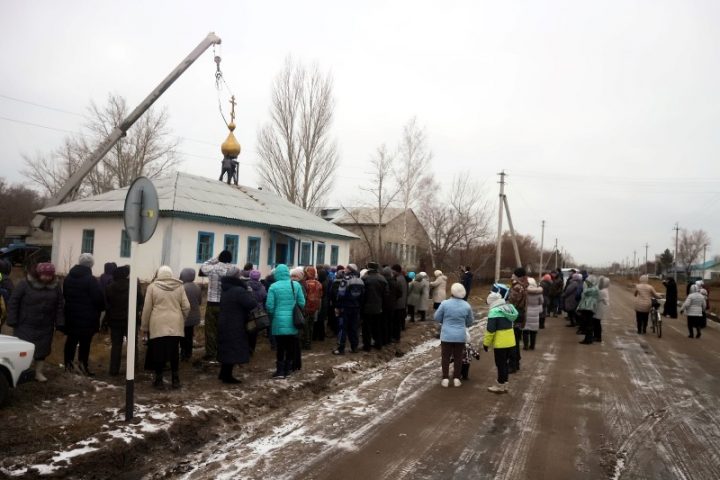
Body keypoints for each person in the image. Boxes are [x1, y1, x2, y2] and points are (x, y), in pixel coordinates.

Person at [7, 263, 63, 382]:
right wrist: (12, 319)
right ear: (38, 274)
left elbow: (59, 305)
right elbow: (14, 301)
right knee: (22, 350)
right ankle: (20, 373)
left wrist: (59, 322)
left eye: (49, 275)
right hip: (25, 323)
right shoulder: (25, 284)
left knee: (42, 350)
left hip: (46, 324)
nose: (47, 278)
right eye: (44, 275)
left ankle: (38, 373)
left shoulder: (56, 286)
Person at [141, 266, 190, 389]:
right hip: (175, 323)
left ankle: (159, 381)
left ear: (159, 274)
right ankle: (175, 379)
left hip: (157, 324)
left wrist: (145, 326)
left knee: (158, 353)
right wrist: (181, 319)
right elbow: (187, 307)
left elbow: (147, 309)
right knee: (174, 352)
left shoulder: (152, 287)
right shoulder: (180, 287)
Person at [63, 253, 105, 376]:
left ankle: (68, 367)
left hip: (71, 315)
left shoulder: (68, 278)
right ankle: (83, 367)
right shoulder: (91, 280)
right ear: (91, 265)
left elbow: (65, 295)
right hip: (87, 318)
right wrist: (101, 308)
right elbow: (98, 299)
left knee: (71, 342)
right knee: (85, 344)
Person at [217, 267, 258, 383]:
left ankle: (224, 373)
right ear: (236, 277)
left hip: (225, 321)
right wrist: (249, 293)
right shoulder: (239, 291)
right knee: (233, 348)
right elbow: (251, 304)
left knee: (227, 347)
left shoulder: (225, 289)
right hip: (235, 322)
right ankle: (227, 376)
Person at [267, 264, 306, 378]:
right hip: (292, 321)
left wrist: (274, 314)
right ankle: (288, 369)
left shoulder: (273, 287)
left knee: (280, 346)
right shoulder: (295, 285)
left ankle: (279, 371)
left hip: (278, 320)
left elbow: (269, 306)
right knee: (290, 346)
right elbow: (302, 303)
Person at [104, 265, 143, 376]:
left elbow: (107, 304)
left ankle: (113, 370)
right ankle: (133, 368)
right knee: (132, 344)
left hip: (115, 320)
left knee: (116, 345)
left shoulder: (109, 287)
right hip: (130, 320)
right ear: (126, 274)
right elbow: (140, 301)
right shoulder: (133, 286)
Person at [435, 283, 475, 387]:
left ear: (452, 292)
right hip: (460, 336)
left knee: (445, 357)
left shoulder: (445, 304)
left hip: (446, 335)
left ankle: (445, 379)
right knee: (458, 357)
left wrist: (444, 321)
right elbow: (470, 321)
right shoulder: (466, 305)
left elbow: (437, 317)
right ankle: (457, 378)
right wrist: (463, 324)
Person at [200, 250, 234, 361]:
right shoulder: (231, 270)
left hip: (212, 303)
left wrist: (214, 259)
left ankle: (211, 353)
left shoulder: (212, 269)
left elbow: (203, 266)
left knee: (210, 329)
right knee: (224, 328)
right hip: (225, 303)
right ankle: (222, 351)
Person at [483, 292, 518, 394]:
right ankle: (505, 385)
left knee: (500, 365)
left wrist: (486, 343)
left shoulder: (494, 312)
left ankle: (500, 385)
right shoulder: (509, 308)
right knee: (505, 364)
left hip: (500, 343)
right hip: (511, 341)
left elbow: (490, 331)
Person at [332, 264, 364, 355]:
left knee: (343, 328)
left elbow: (341, 294)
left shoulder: (345, 279)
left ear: (350, 270)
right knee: (354, 328)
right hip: (356, 307)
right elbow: (363, 296)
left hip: (345, 307)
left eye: (346, 268)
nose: (345, 269)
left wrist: (338, 306)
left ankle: (341, 348)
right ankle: (354, 347)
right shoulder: (360, 280)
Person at [361, 262, 388, 351]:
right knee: (377, 326)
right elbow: (386, 294)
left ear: (369, 268)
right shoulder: (382, 279)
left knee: (366, 327)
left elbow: (361, 293)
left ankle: (367, 346)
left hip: (366, 307)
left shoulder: (364, 278)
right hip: (378, 307)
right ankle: (378, 344)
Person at [507, 268, 528, 374]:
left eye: (513, 274)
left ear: (517, 276)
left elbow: (512, 302)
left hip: (515, 315)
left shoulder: (517, 287)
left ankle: (513, 365)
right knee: (516, 340)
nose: (512, 276)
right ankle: (516, 362)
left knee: (512, 341)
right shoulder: (523, 286)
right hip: (520, 315)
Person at [179, 268, 202, 361]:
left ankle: (183, 352)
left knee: (182, 335)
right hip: (194, 317)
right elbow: (200, 302)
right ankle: (189, 353)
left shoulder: (182, 288)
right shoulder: (197, 287)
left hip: (184, 316)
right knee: (189, 334)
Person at [300, 266, 323, 350]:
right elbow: (320, 296)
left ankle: (306, 342)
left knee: (305, 326)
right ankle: (309, 342)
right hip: (314, 307)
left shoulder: (305, 283)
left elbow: (303, 295)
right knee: (311, 325)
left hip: (306, 307)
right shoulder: (319, 283)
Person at [247, 269, 268, 354]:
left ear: (250, 276)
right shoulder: (262, 287)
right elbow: (265, 297)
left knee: (247, 329)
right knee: (254, 331)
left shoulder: (246, 286)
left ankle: (246, 348)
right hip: (258, 310)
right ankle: (252, 348)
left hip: (249, 310)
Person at [577, 275, 599, 345]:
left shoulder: (593, 289)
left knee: (588, 324)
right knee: (588, 324)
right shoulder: (594, 288)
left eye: (588, 282)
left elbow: (585, 292)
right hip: (587, 307)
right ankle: (588, 339)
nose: (586, 283)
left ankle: (588, 339)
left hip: (589, 308)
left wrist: (585, 287)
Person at [523, 278, 543, 350]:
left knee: (525, 330)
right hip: (535, 312)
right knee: (533, 331)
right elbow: (541, 301)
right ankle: (532, 346)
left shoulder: (525, 292)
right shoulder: (539, 292)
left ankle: (525, 346)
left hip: (527, 311)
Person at [390, 264, 408, 342]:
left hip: (398, 304)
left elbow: (397, 292)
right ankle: (396, 337)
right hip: (402, 303)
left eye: (393, 271)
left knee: (396, 322)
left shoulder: (398, 279)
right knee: (397, 322)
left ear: (396, 271)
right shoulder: (402, 278)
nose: (392, 272)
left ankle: (396, 337)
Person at [593, 276, 610, 342]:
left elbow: (596, 298)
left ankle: (597, 337)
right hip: (600, 308)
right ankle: (596, 336)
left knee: (597, 323)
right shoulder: (605, 290)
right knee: (596, 322)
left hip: (599, 308)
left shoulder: (602, 291)